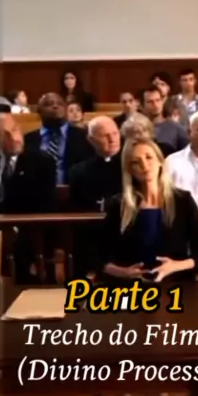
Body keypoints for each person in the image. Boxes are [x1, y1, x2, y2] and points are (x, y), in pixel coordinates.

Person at [98, 138, 198, 284]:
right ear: (130, 170)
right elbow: (99, 258)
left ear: (160, 162)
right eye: (135, 162)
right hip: (130, 287)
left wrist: (174, 266)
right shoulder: (118, 204)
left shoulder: (182, 201)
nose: (144, 165)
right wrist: (124, 272)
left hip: (176, 283)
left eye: (149, 157)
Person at [0, 113, 56, 282]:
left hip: (29, 231)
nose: (13, 138)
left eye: (14, 130)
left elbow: (44, 206)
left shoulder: (42, 162)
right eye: (5, 134)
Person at [68, 116, 123, 277]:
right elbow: (76, 210)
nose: (112, 139)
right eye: (105, 135)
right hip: (93, 233)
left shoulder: (130, 164)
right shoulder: (80, 171)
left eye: (115, 133)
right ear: (91, 140)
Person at [24, 92, 92, 185]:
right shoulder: (28, 140)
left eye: (60, 104)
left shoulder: (84, 136)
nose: (55, 106)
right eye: (49, 104)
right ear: (39, 112)